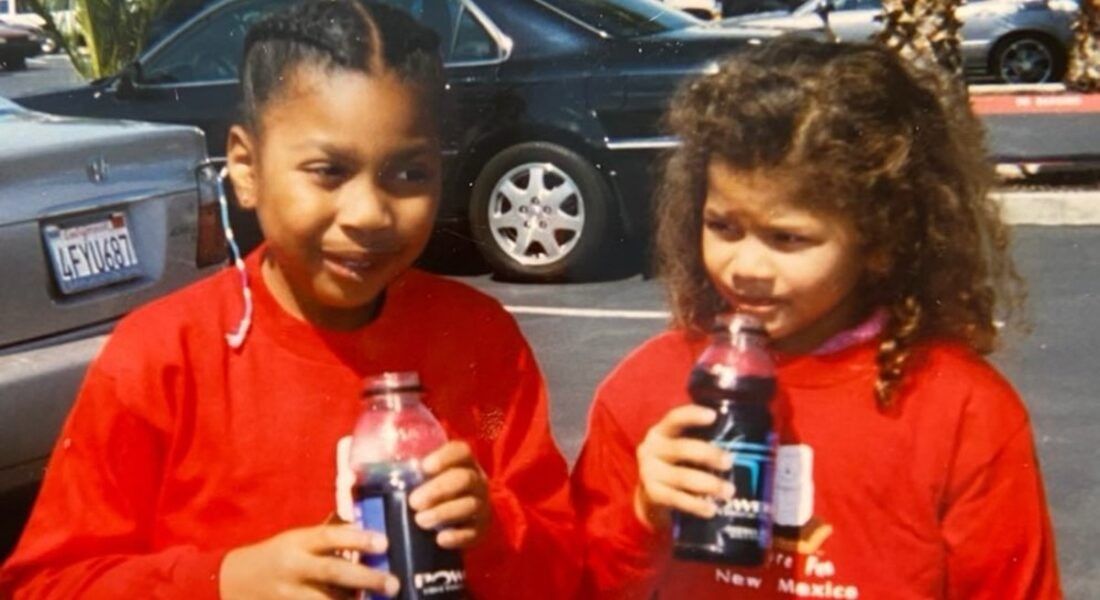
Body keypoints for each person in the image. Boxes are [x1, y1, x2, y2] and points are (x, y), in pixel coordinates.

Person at [1, 2, 579, 598]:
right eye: (329, 171)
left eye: (409, 174)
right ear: (246, 168)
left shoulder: (480, 341)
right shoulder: (161, 358)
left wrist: (494, 530)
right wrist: (224, 582)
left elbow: (565, 569)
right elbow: (46, 584)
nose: (370, 214)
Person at [572, 38, 1062, 599]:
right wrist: (640, 515)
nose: (746, 266)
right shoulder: (648, 389)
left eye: (788, 238)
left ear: (880, 240)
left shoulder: (963, 412)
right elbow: (575, 582)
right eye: (724, 226)